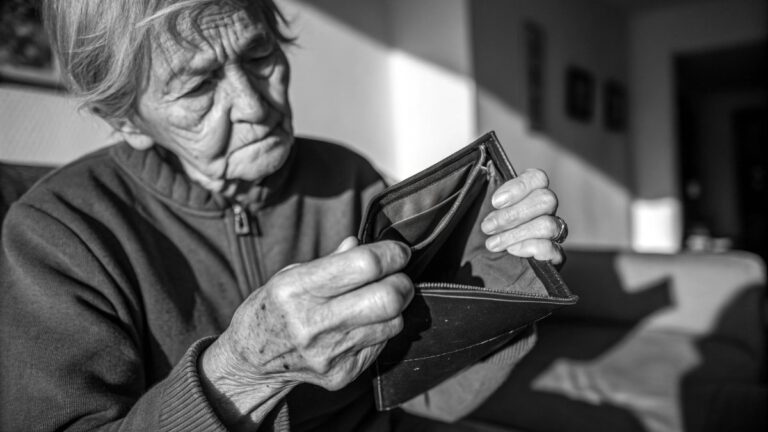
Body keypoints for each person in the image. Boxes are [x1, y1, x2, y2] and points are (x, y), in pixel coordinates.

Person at [0, 0, 567, 430]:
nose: (254, 106)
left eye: (259, 55)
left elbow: (422, 395)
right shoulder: (57, 234)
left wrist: (502, 284)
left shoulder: (350, 178)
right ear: (125, 119)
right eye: (197, 86)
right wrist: (243, 371)